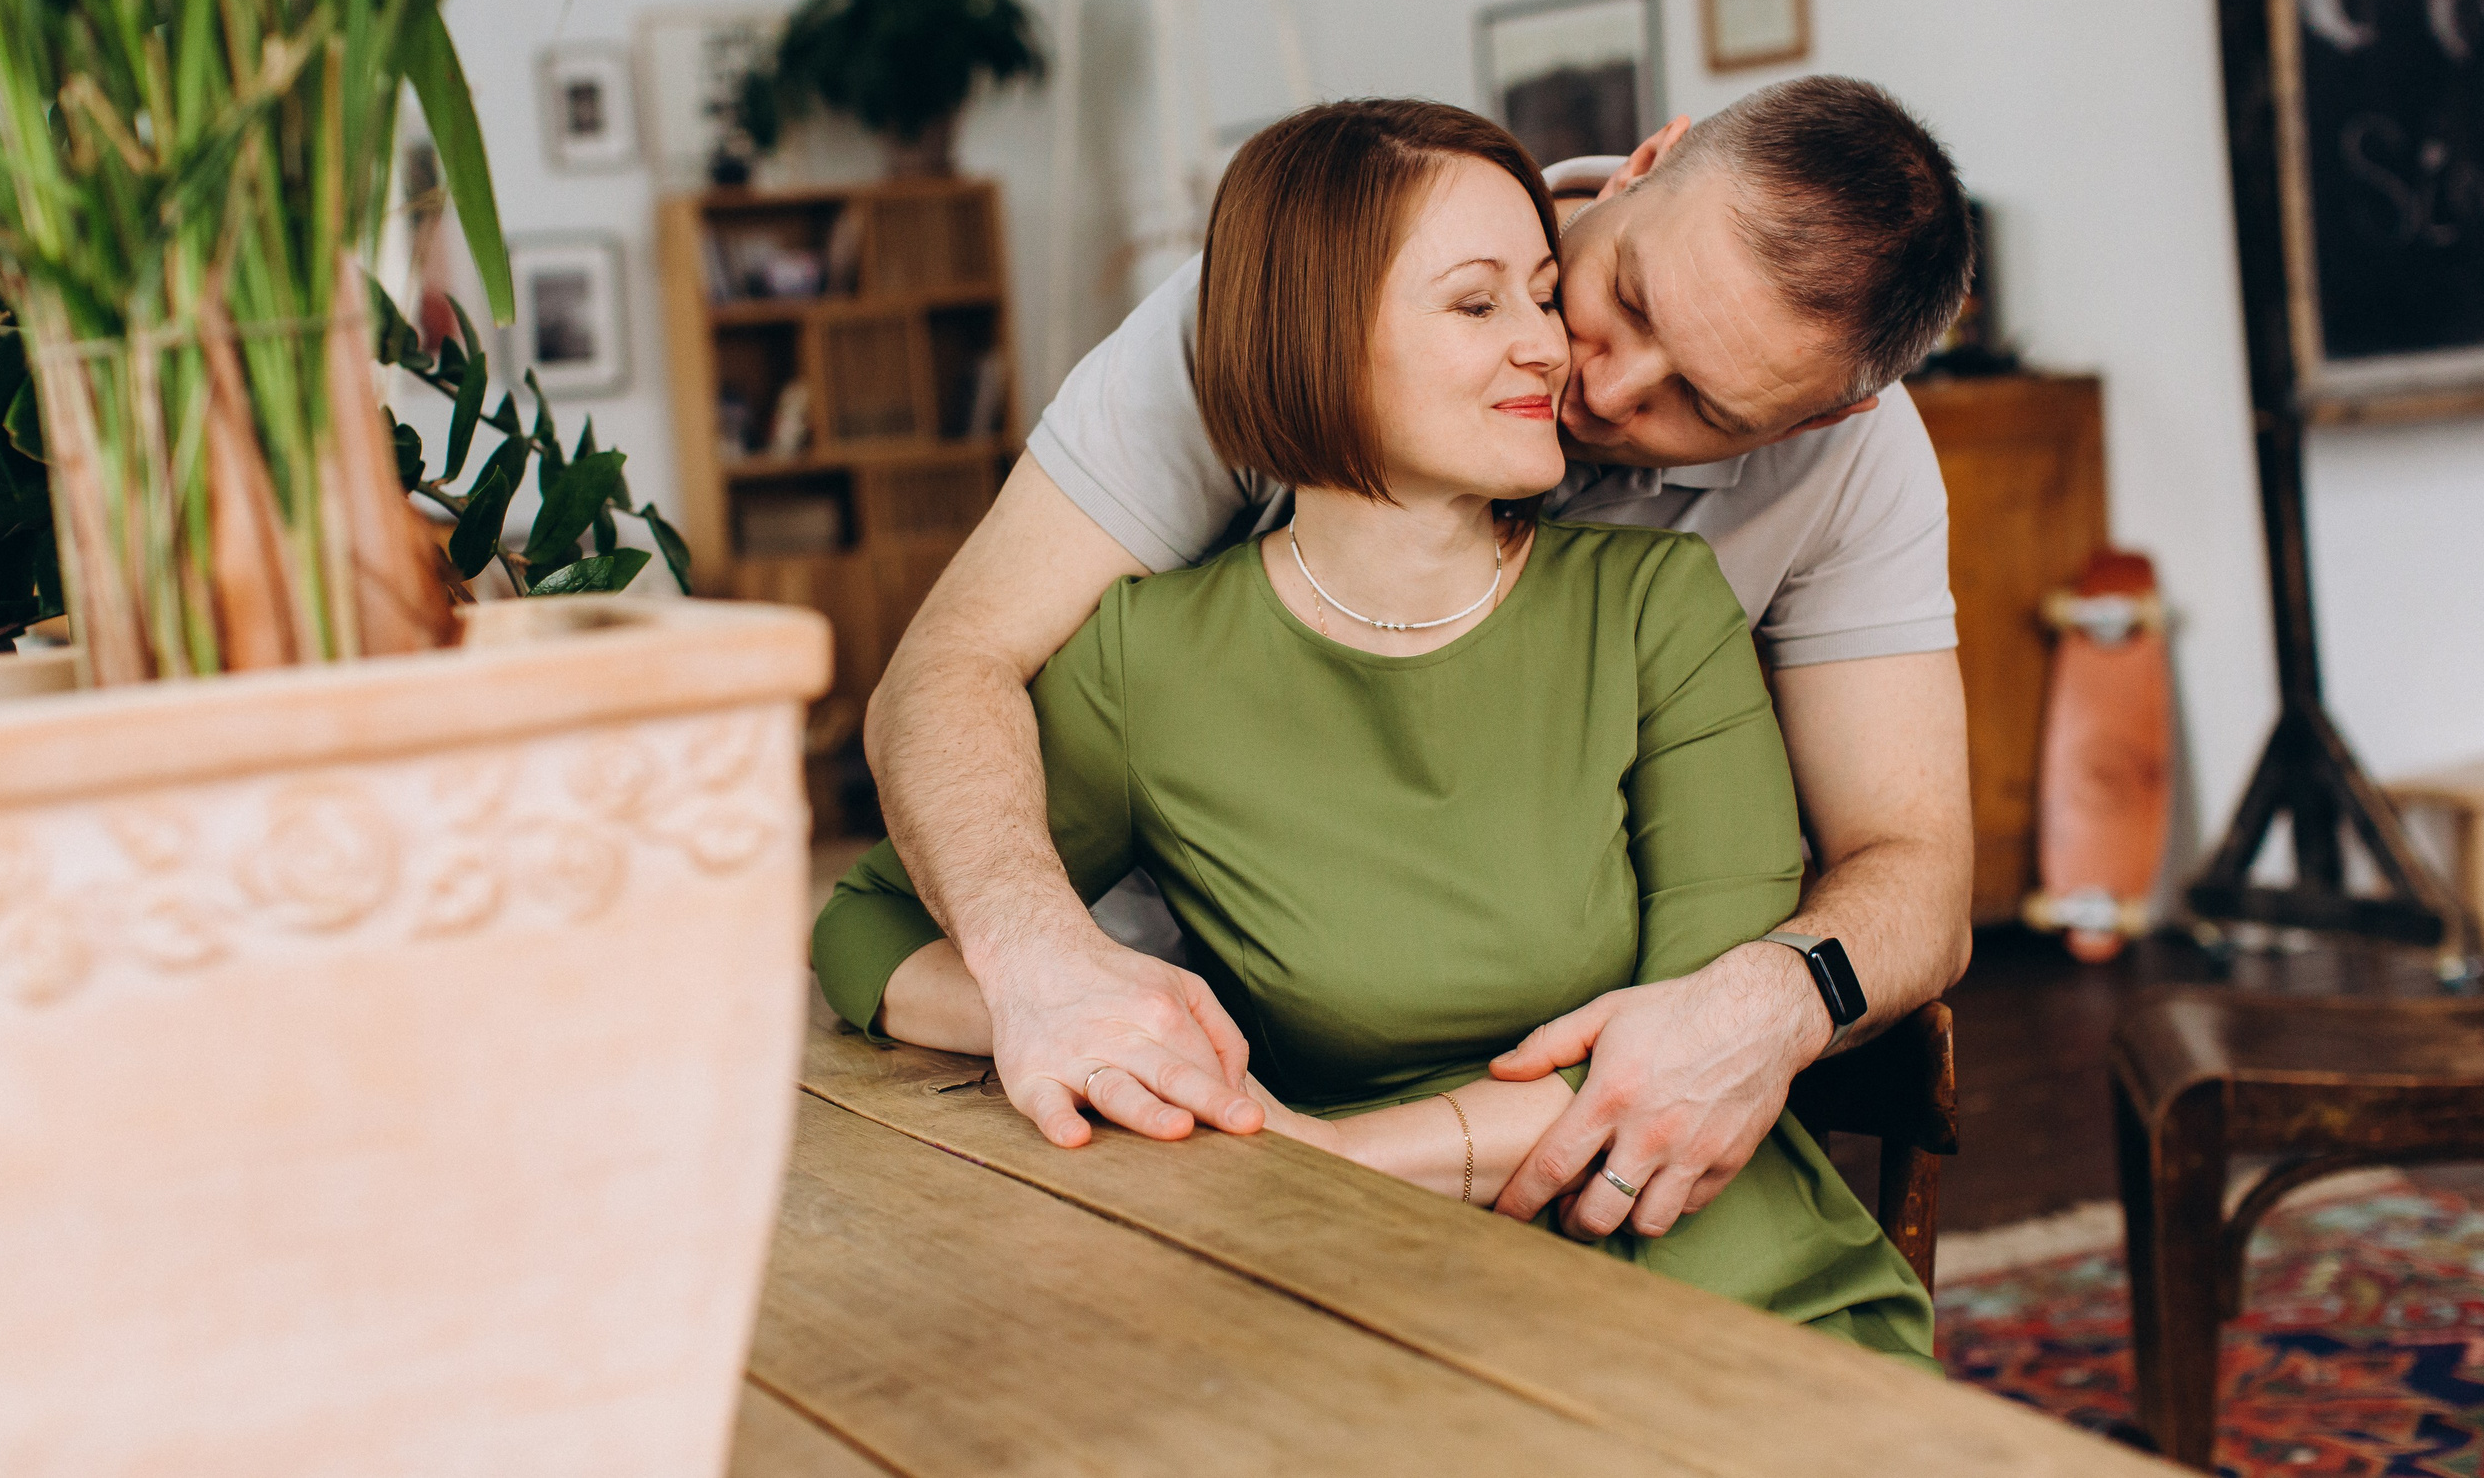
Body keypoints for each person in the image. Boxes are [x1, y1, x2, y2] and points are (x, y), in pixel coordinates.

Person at [813, 99, 1934, 1361]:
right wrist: (1073, 997)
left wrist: (1307, 1156)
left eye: (1706, 405)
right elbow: (929, 731)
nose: (1577, 368)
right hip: (1330, 1263)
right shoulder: (1150, 647)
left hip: (1682, 1257)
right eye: (1499, 302)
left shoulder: (1666, 605)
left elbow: (1782, 967)